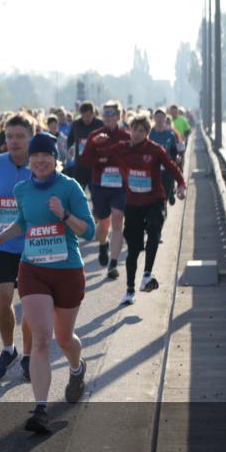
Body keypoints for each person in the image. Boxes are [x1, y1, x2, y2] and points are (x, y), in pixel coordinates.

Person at [0, 132, 95, 433]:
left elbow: (89, 232)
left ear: (55, 157)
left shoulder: (69, 187)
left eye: (45, 155)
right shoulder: (22, 188)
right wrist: (1, 236)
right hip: (33, 269)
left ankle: (76, 368)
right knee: (41, 338)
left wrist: (64, 215)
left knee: (64, 339)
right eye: (35, 156)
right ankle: (41, 410)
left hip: (67, 271)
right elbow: (23, 222)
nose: (39, 160)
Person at [92, 114, 186, 305]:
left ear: (147, 133)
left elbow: (172, 167)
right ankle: (129, 290)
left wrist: (182, 185)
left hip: (154, 200)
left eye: (141, 131)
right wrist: (96, 142)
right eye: (134, 129)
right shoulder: (122, 149)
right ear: (130, 130)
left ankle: (147, 275)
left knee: (153, 231)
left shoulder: (155, 150)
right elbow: (102, 154)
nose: (136, 133)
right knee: (133, 249)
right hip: (133, 203)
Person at [0, 113, 34, 381]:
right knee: (3, 299)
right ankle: (8, 349)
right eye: (10, 136)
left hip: (33, 246)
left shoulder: (42, 165)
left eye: (20, 136)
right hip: (2, 242)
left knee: (30, 304)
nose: (13, 141)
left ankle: (29, 356)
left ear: (30, 138)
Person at [80, 101, 129, 279]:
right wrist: (93, 145)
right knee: (103, 224)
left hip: (119, 187)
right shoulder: (95, 135)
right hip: (100, 186)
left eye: (112, 113)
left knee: (117, 219)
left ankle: (113, 264)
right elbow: (85, 161)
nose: (108, 116)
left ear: (119, 116)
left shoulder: (125, 136)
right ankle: (103, 244)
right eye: (105, 113)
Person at [66, 101, 104, 190]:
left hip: (95, 165)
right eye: (85, 116)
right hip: (80, 164)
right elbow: (70, 138)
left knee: (96, 194)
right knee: (77, 192)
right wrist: (70, 148)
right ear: (81, 115)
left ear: (93, 114)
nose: (87, 119)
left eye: (89, 115)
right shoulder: (76, 124)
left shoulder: (100, 124)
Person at [149, 110, 181, 205]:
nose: (159, 119)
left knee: (165, 192)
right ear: (154, 118)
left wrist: (176, 159)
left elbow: (174, 151)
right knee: (155, 194)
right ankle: (161, 208)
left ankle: (170, 194)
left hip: (167, 167)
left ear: (165, 119)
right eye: (157, 116)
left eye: (161, 117)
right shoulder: (150, 134)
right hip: (153, 168)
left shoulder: (170, 135)